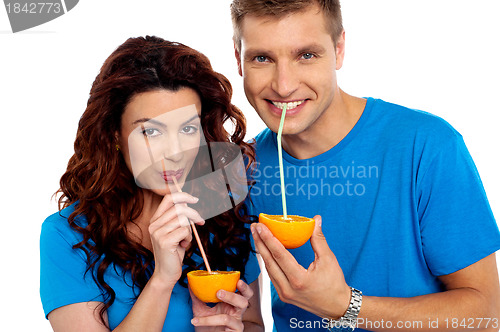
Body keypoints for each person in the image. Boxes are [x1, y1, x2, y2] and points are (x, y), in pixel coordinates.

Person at [230, 0, 500, 331]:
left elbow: (486, 315)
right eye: (262, 58)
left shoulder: (429, 146)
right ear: (238, 59)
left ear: (339, 49)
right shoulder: (241, 172)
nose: (284, 85)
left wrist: (344, 306)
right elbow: (250, 320)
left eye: (306, 55)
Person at [40, 36, 264, 331]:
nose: (174, 153)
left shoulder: (227, 219)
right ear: (115, 136)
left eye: (187, 128)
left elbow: (253, 325)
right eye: (151, 132)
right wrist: (162, 280)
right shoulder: (68, 236)